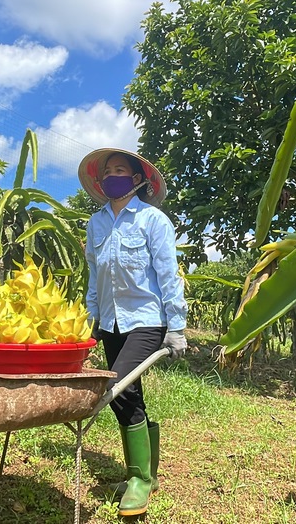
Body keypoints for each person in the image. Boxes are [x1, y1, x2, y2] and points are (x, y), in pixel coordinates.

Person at [77, 147, 188, 517]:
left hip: (146, 320)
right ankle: (145, 475)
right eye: (107, 172)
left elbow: (168, 274)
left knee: (117, 387)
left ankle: (139, 480)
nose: (112, 176)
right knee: (130, 393)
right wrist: (90, 321)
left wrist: (177, 326)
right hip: (110, 322)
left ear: (138, 180)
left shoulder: (153, 220)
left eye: (120, 170)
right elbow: (95, 276)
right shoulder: (96, 224)